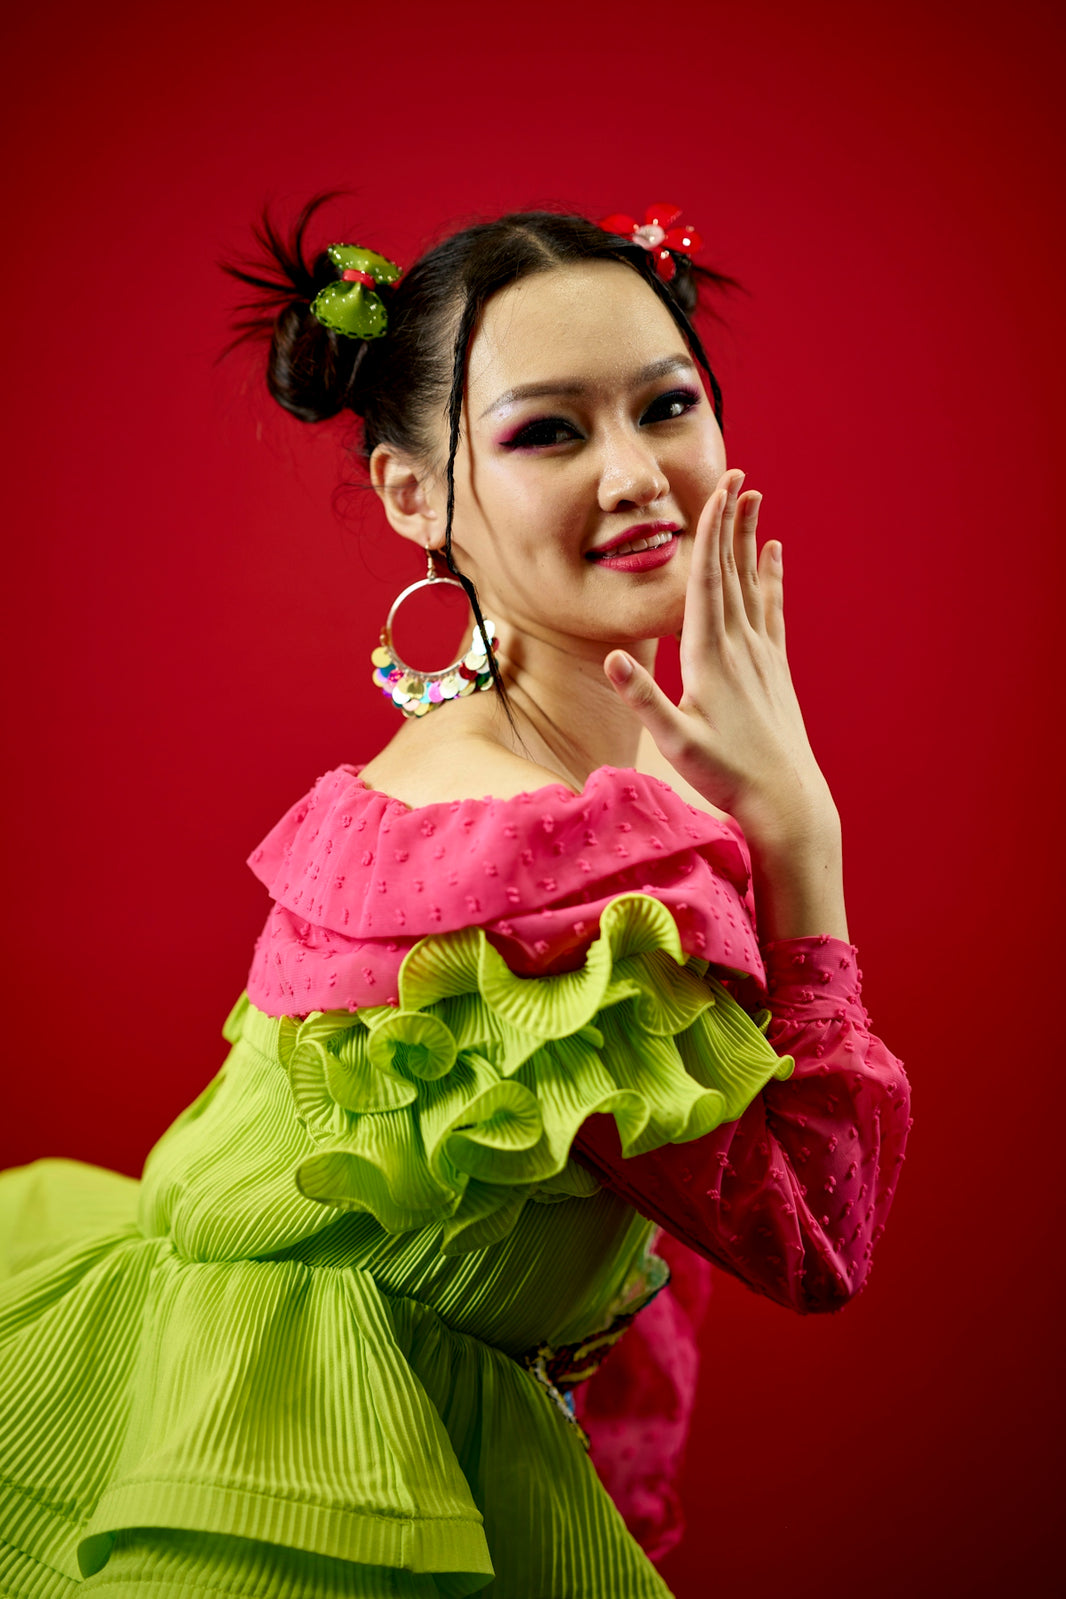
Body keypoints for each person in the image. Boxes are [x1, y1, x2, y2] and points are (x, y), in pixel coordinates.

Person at [0, 199, 911, 1598]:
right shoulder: (567, 864)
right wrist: (801, 833)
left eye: (667, 404)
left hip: (265, 1383)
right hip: (302, 1480)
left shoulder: (435, 779)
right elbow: (815, 1235)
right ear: (412, 496)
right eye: (548, 432)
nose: (637, 474)